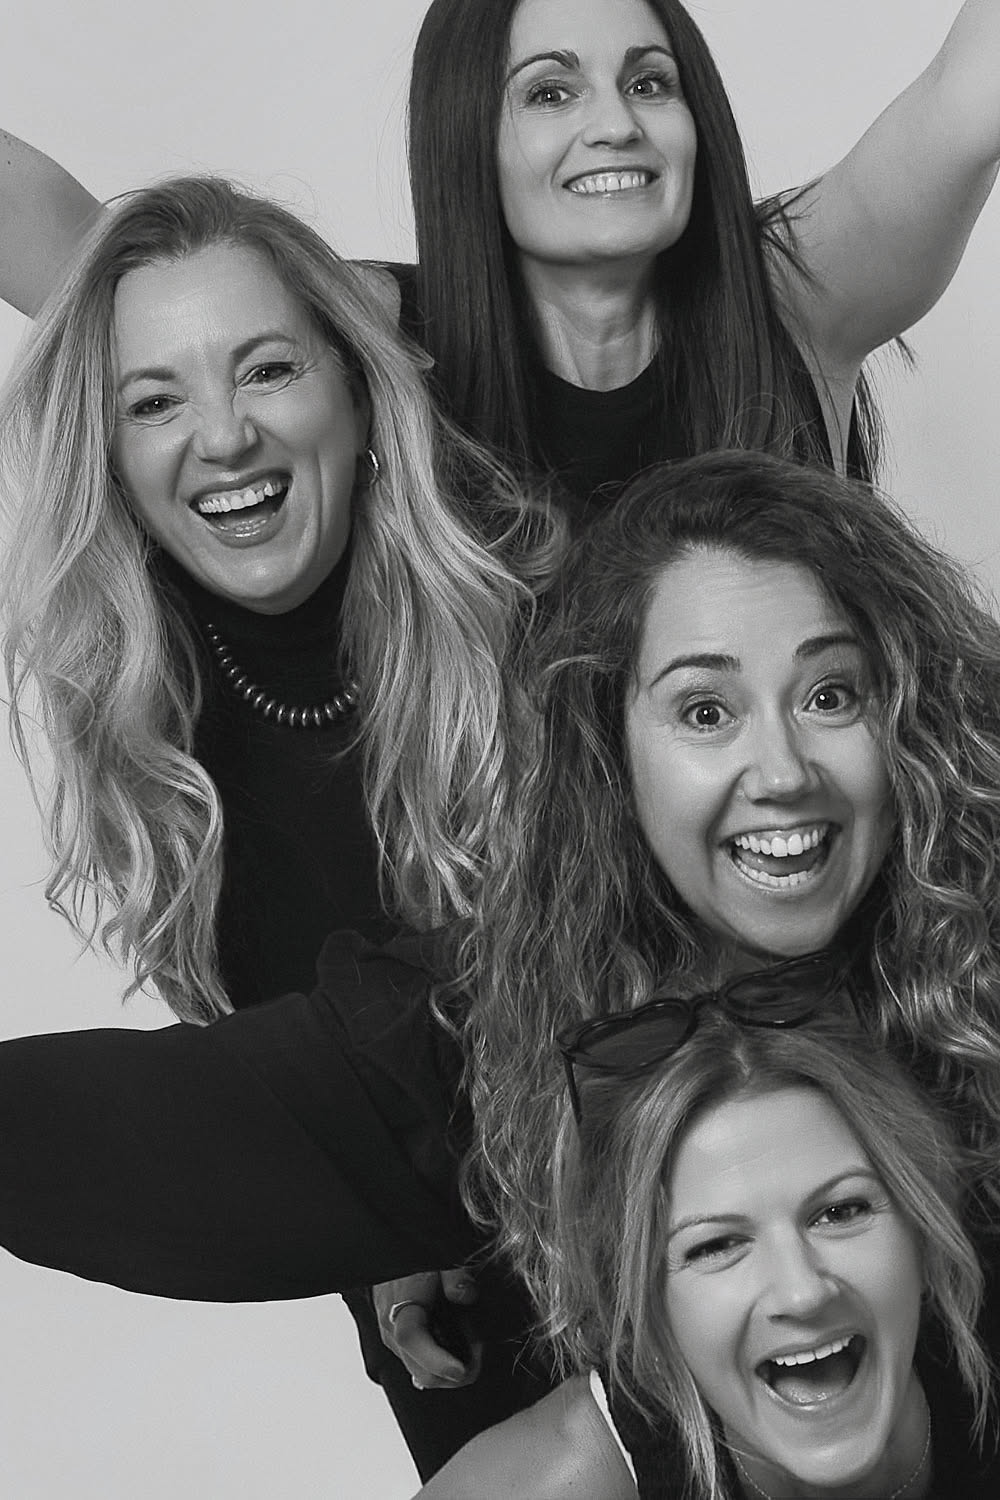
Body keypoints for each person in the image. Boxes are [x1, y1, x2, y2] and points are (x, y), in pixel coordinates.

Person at [2, 450, 1000, 1483]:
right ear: (610, 746)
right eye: (705, 712)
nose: (783, 771)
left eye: (832, 695)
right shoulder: (484, 1041)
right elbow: (105, 1142)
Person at [0, 173, 553, 1477]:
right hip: (458, 1315)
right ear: (115, 459)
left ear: (359, 394)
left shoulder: (542, 622)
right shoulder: (151, 715)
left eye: (265, 370)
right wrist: (383, 1250)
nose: (222, 437)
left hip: (694, 1257)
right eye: (156, 400)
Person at [6, 2, 1000, 495]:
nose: (616, 123)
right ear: (465, 136)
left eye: (651, 82)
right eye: (550, 92)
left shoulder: (796, 293)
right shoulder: (371, 334)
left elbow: (969, 91)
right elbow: (93, 256)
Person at [415, 999, 998, 1497]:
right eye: (716, 1245)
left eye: (840, 1212)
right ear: (648, 1305)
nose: (801, 1291)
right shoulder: (573, 1476)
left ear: (924, 1230)